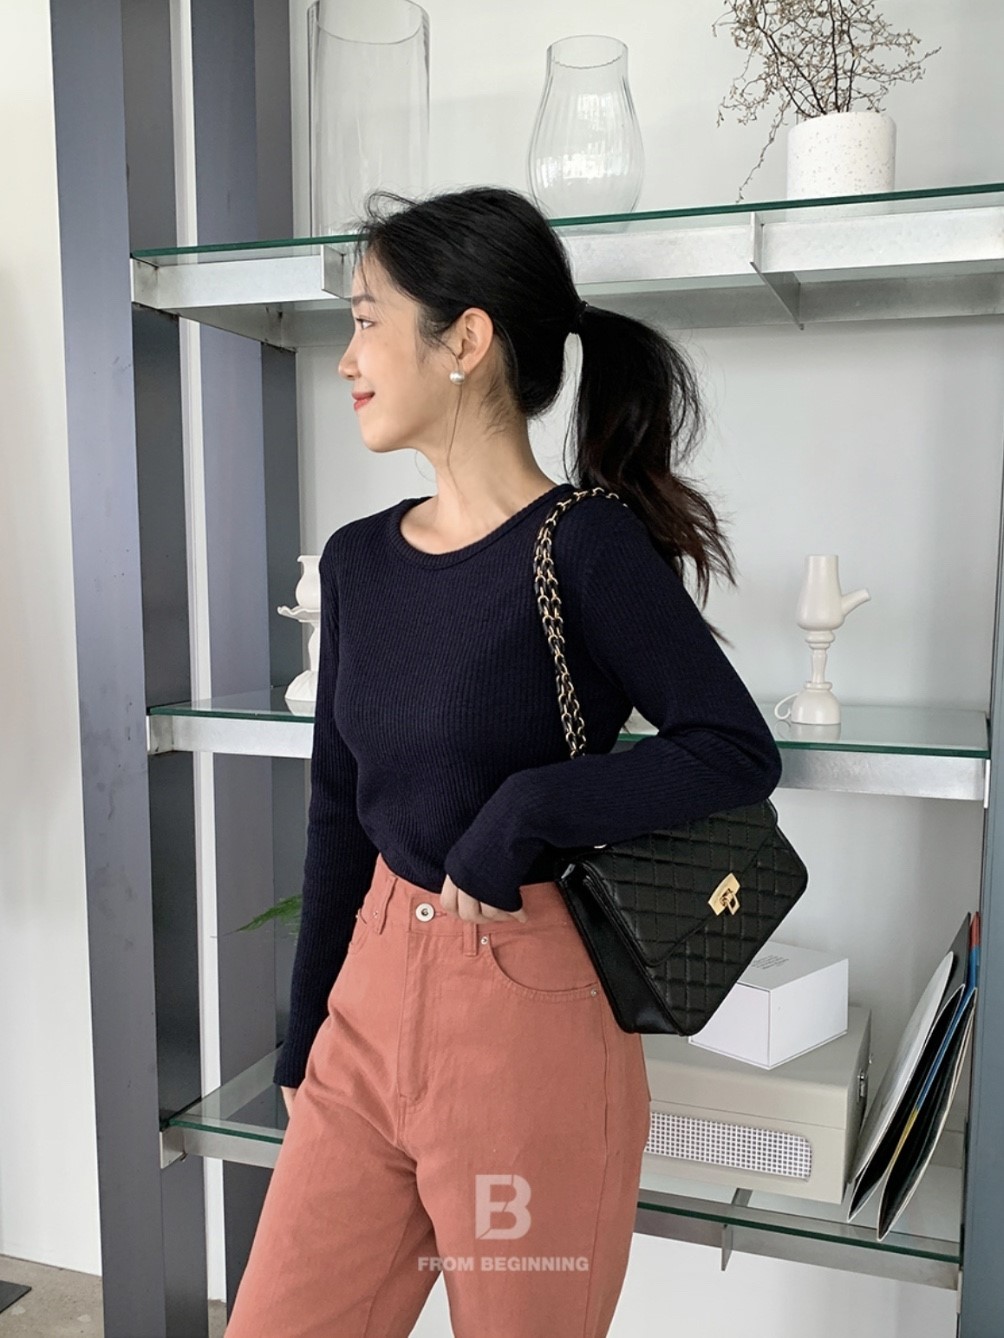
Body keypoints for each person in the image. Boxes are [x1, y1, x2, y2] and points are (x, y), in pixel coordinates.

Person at [224, 185, 782, 1338]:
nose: (346, 359)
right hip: (368, 999)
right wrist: (306, 1027)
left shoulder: (584, 543)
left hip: (526, 1015)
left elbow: (731, 749)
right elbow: (338, 807)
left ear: (464, 339)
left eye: (366, 321)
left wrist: (525, 810)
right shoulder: (356, 562)